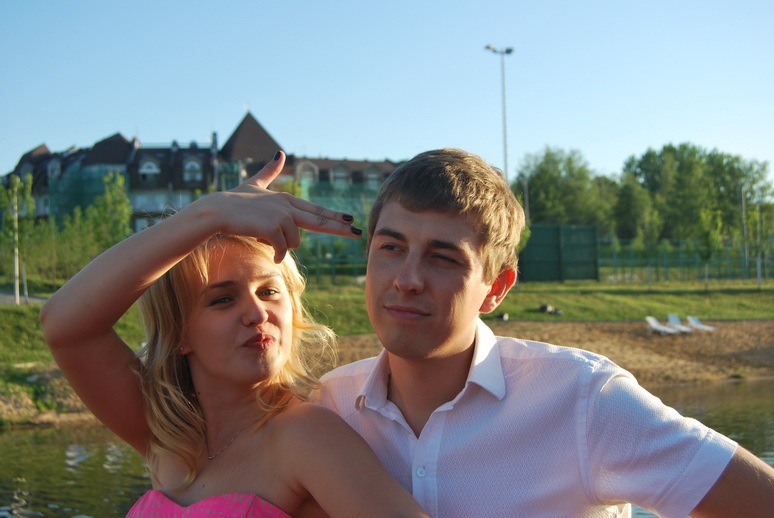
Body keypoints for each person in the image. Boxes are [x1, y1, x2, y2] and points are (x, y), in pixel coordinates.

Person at [315, 148, 774, 517]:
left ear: (496, 289)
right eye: (391, 247)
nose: (407, 279)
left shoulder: (584, 399)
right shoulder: (327, 406)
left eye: (443, 258)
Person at [40, 151, 428, 517]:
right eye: (223, 300)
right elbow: (63, 324)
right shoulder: (165, 434)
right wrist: (209, 214)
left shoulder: (307, 435)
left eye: (269, 291)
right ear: (179, 333)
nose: (257, 313)